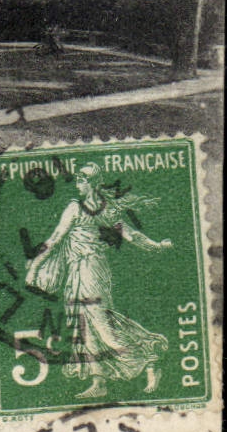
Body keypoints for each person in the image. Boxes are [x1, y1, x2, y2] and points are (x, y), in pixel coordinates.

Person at [25, 163, 172, 398]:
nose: (77, 183)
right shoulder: (92, 208)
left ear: (92, 182)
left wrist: (156, 247)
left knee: (103, 327)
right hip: (77, 270)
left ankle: (150, 358)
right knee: (84, 328)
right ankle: (99, 381)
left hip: (92, 269)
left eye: (81, 180)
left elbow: (130, 235)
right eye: (77, 180)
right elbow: (55, 239)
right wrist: (156, 246)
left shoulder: (92, 209)